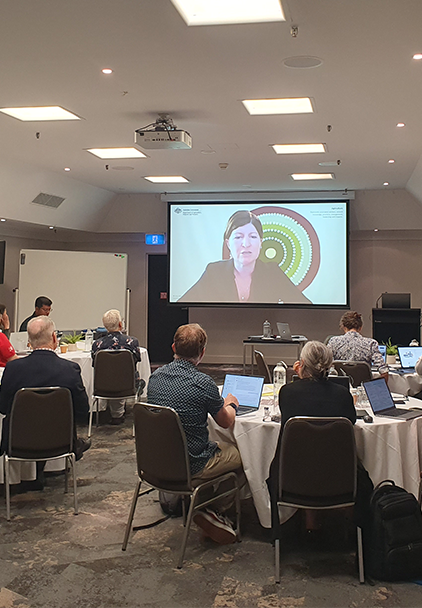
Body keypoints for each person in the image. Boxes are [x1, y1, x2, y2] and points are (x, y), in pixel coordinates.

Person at [147, 323, 242, 544]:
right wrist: (231, 404)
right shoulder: (202, 383)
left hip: (156, 461)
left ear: (173, 347)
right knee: (242, 456)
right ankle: (212, 509)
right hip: (192, 464)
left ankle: (201, 505)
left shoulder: (155, 377)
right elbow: (226, 422)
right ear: (202, 353)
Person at [267, 341, 374, 528]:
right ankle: (354, 528)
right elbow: (352, 421)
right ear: (330, 365)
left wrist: (300, 377)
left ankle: (302, 524)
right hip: (341, 477)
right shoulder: (342, 395)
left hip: (291, 477)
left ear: (302, 364)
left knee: (307, 454)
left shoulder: (287, 393)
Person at [0, 316, 90, 490]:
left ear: (29, 342)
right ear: (54, 337)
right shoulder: (69, 370)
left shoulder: (13, 369)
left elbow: (2, 407)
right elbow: (83, 412)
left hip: (19, 441)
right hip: (61, 441)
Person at [178, 210, 310, 304]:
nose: (246, 244)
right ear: (228, 243)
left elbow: (304, 303)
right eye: (238, 237)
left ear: (261, 243)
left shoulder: (272, 271)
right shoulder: (214, 271)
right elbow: (184, 301)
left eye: (252, 237)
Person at [91, 309, 145, 425]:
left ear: (105, 326)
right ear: (120, 325)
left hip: (102, 385)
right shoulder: (132, 342)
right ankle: (118, 414)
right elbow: (136, 361)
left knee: (111, 376)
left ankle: (106, 412)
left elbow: (94, 364)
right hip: (128, 385)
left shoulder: (97, 344)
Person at [326, 311, 388, 378]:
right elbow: (384, 372)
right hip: (364, 385)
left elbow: (325, 364)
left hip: (341, 385)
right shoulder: (371, 344)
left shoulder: (333, 342)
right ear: (360, 327)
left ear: (343, 327)